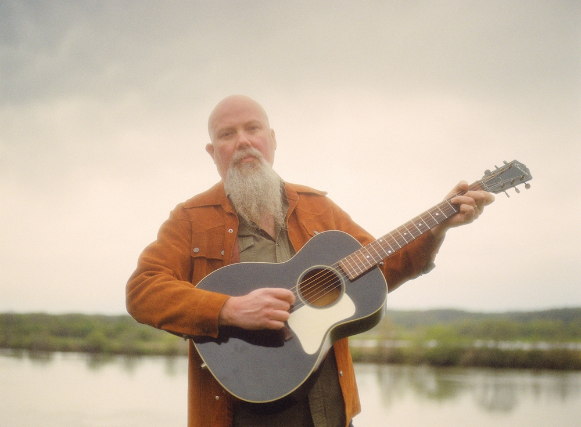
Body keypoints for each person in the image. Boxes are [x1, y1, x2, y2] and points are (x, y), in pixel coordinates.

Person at [126, 95, 494, 427]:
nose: (242, 141)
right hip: (240, 417)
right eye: (227, 134)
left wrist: (436, 229)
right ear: (212, 151)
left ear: (272, 139)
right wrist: (229, 309)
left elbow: (382, 268)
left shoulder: (318, 208)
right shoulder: (191, 218)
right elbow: (143, 290)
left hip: (330, 416)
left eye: (252, 129)